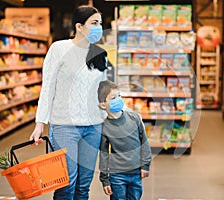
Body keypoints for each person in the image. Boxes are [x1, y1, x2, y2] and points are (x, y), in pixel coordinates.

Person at [29, 5, 107, 200]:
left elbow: (102, 89)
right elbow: (48, 87)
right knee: (66, 184)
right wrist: (40, 123)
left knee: (83, 185)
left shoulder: (100, 53)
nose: (99, 27)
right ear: (79, 26)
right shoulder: (59, 48)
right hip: (65, 126)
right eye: (94, 23)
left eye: (100, 23)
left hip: (93, 127)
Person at [97, 80, 152, 200]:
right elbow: (104, 154)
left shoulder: (134, 118)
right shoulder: (104, 127)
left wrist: (145, 165)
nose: (118, 100)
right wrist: (105, 179)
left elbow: (144, 142)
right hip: (117, 175)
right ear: (102, 105)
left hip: (136, 172)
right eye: (113, 98)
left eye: (119, 96)